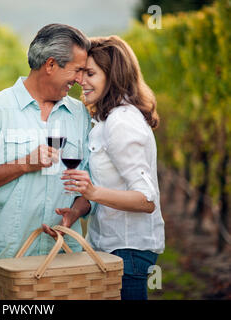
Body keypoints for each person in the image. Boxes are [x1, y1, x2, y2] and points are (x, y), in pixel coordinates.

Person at [0, 24, 94, 300]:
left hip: (64, 263)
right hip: (8, 264)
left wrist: (75, 212)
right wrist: (24, 165)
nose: (79, 79)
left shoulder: (80, 115)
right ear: (50, 65)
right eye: (76, 70)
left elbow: (90, 184)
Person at [57, 35, 165, 300]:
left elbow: (146, 199)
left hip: (127, 253)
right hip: (114, 249)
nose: (81, 81)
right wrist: (77, 210)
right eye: (81, 72)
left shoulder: (122, 122)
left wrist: (93, 193)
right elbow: (112, 184)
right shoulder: (108, 119)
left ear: (113, 76)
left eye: (90, 73)